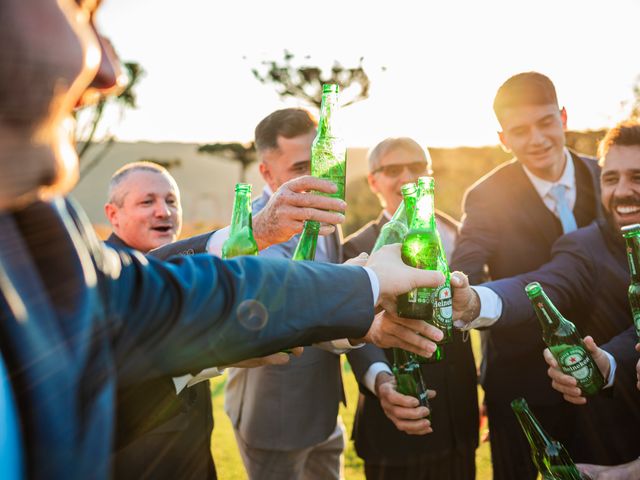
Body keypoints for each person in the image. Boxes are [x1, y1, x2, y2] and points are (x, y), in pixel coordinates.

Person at [0, 1, 447, 478]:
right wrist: (363, 284)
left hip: (315, 417)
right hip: (272, 422)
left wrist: (359, 299)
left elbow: (142, 298)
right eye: (77, 9)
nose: (107, 72)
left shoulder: (28, 227)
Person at [451, 121, 640, 468]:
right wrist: (476, 302)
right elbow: (540, 285)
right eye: (611, 179)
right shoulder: (585, 248)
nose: (623, 191)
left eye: (637, 177)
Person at [201, 108, 376, 480]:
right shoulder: (249, 234)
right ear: (266, 173)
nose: (315, 175)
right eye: (300, 168)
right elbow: (293, 308)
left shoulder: (324, 208)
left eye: (320, 161)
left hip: (325, 409)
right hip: (275, 415)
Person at [104, 161, 300, 479]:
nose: (163, 212)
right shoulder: (106, 277)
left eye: (171, 201)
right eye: (147, 202)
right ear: (113, 215)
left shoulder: (191, 279)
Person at [449, 71, 602, 480]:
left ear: (564, 117)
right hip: (522, 381)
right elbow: (467, 263)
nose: (536, 139)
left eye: (546, 122)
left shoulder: (605, 177)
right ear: (504, 139)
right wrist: (465, 291)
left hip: (607, 372)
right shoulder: (487, 196)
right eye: (520, 130)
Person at [343, 137, 478, 480]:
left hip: (459, 424)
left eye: (417, 167)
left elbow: (477, 311)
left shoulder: (460, 234)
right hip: (396, 426)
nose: (406, 176)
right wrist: (382, 382)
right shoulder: (354, 248)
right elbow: (353, 327)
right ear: (373, 180)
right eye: (392, 169)